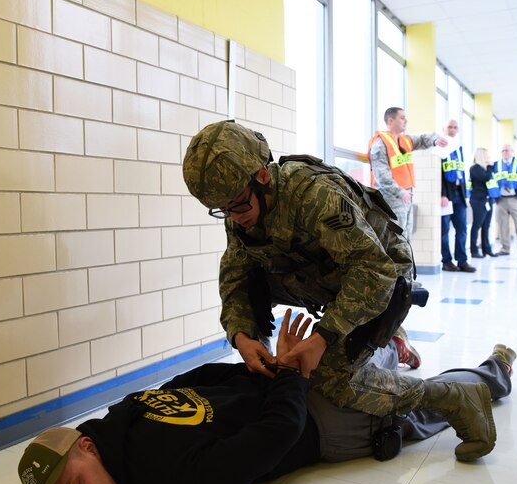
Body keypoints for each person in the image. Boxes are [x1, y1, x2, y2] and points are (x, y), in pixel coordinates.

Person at [180, 120, 493, 461]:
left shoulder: (314, 195)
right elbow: (235, 276)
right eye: (223, 209)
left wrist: (323, 338)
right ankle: (386, 340)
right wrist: (242, 336)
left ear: (263, 177)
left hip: (383, 277)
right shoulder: (240, 208)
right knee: (250, 276)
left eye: (237, 204)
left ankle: (455, 397)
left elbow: (374, 270)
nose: (233, 217)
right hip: (324, 277)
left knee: (329, 378)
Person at [18, 310, 516, 484]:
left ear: (86, 447)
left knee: (435, 404)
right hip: (300, 392)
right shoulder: (129, 411)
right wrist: (279, 370)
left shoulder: (170, 483)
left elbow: (279, 429)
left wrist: (284, 372)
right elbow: (214, 382)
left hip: (328, 421)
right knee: (409, 386)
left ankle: (490, 372)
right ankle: (406, 349)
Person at [369, 107, 448, 239]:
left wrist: (436, 140)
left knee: (406, 236)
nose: (406, 120)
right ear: (390, 120)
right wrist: (400, 192)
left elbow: (423, 138)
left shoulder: (404, 140)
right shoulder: (380, 144)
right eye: (402, 118)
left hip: (406, 196)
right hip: (391, 198)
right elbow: (381, 176)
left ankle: (405, 260)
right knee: (394, 237)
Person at [439, 119, 475, 272]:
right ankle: (447, 261)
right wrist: (441, 194)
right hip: (447, 195)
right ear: (444, 129)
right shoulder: (440, 148)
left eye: (455, 127)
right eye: (449, 127)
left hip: (460, 195)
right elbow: (437, 173)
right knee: (444, 231)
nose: (452, 130)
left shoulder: (459, 149)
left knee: (462, 229)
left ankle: (462, 260)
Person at [468, 147, 499, 258]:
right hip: (478, 200)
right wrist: (490, 167)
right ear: (481, 156)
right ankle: (474, 251)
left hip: (488, 200)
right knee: (477, 225)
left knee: (486, 225)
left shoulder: (485, 169)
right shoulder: (475, 168)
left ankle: (487, 249)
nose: (489, 157)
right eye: (486, 155)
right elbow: (486, 178)